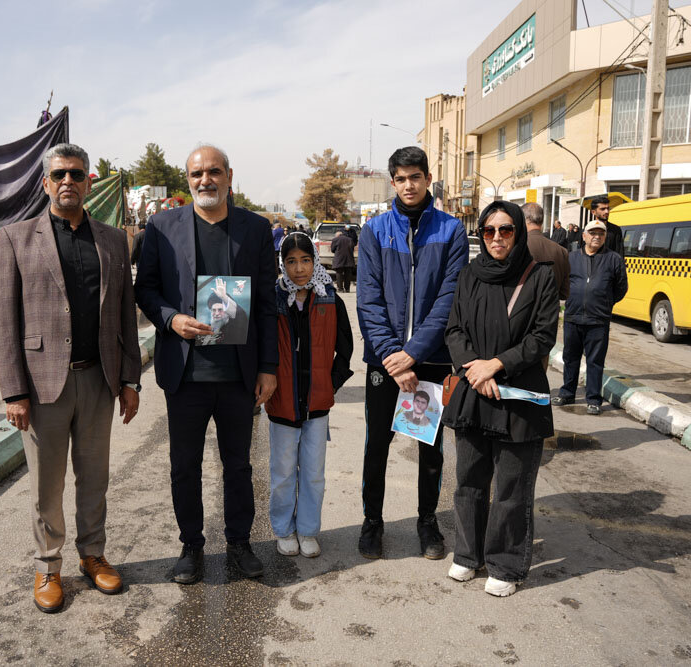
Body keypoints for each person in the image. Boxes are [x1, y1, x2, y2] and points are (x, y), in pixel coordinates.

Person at [0, 143, 142, 614]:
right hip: (42, 387)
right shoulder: (16, 238)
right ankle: (48, 566)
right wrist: (14, 391)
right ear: (45, 182)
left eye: (76, 174)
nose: (67, 182)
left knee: (94, 477)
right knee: (47, 485)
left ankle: (92, 553)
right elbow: (5, 323)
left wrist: (131, 380)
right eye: (59, 174)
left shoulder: (113, 240)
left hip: (99, 379)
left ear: (88, 182)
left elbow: (125, 313)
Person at [135, 144, 278, 585]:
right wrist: (171, 319)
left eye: (214, 171)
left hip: (238, 374)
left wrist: (268, 366)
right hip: (186, 374)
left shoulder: (256, 228)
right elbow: (146, 289)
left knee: (239, 465)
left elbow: (267, 303)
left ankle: (239, 543)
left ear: (229, 176)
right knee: (185, 467)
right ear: (188, 179)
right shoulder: (162, 227)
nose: (205, 180)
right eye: (197, 173)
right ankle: (191, 546)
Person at [356, 146, 469, 560]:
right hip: (384, 363)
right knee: (377, 445)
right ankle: (372, 521)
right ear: (393, 182)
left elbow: (449, 299)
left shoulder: (451, 230)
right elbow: (368, 300)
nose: (408, 185)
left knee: (430, 446)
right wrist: (393, 356)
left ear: (427, 179)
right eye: (401, 179)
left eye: (415, 177)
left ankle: (427, 522)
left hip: (432, 360)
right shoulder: (375, 231)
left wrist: (414, 354)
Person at [441, 200, 558, 597]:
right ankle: (467, 554)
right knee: (469, 481)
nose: (496, 238)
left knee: (512, 487)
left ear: (518, 232)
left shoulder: (540, 276)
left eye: (505, 230)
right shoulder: (469, 274)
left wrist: (495, 365)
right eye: (488, 230)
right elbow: (454, 329)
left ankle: (506, 565)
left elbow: (542, 336)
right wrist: (474, 368)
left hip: (518, 396)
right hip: (474, 392)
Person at [266, 232, 353, 559]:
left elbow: (345, 349)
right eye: (291, 261)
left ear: (315, 261)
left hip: (317, 406)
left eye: (305, 260)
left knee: (314, 474)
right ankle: (283, 530)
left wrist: (330, 385)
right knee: (283, 474)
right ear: (282, 264)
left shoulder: (330, 299)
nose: (299, 268)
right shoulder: (272, 300)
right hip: (281, 405)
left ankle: (307, 530)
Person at [552, 220, 628, 415]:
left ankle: (593, 399)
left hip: (598, 320)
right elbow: (562, 282)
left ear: (605, 237)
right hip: (573, 317)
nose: (596, 237)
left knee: (595, 361)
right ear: (584, 236)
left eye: (600, 234)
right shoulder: (571, 257)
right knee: (571, 358)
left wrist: (605, 302)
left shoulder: (613, 259)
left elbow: (621, 287)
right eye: (592, 233)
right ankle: (567, 392)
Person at [521, 203, 569, 302]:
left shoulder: (517, 246)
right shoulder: (562, 251)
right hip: (550, 308)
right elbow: (564, 293)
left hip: (522, 308)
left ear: (523, 219)